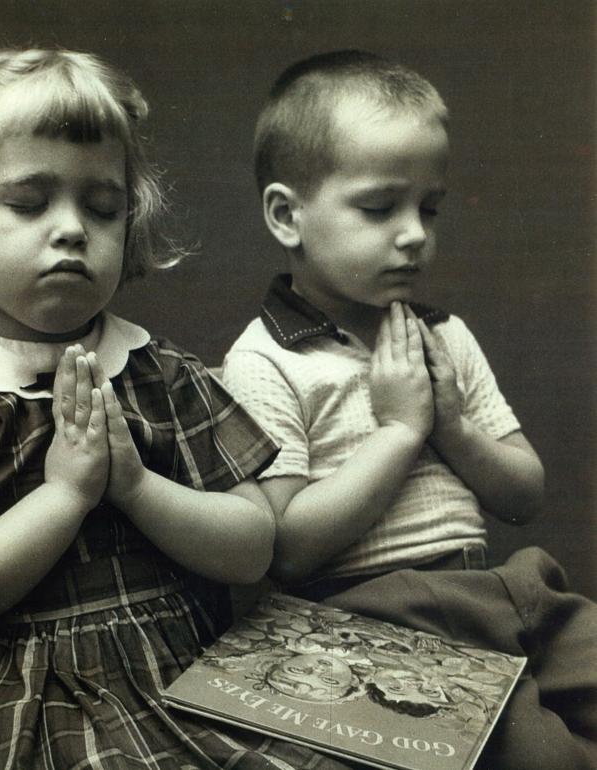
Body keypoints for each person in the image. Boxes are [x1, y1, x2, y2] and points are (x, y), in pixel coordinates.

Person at [0, 48, 361, 770]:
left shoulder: (160, 374)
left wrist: (135, 487)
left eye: (102, 207)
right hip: (15, 713)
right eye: (28, 202)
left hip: (187, 685)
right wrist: (65, 496)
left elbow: (252, 548)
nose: (73, 228)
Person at [222, 50, 597, 769]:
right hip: (373, 613)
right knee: (535, 755)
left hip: (494, 586)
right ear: (285, 215)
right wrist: (398, 430)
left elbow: (523, 492)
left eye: (427, 208)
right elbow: (286, 546)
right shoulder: (265, 359)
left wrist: (451, 424)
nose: (413, 234)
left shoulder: (441, 335)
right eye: (377, 207)